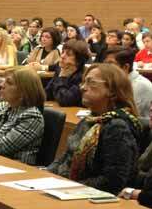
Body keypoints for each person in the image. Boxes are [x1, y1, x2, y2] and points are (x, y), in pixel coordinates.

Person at [48, 64, 142, 193]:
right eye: (84, 82)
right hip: (66, 186)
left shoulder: (117, 127)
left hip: (90, 195)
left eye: (91, 83)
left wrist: (69, 187)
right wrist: (46, 174)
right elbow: (65, 157)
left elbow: (113, 181)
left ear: (112, 91)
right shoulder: (90, 119)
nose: (82, 88)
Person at [0, 67, 45, 165]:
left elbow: (1, 147)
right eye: (4, 81)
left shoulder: (32, 117)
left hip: (16, 168)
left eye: (9, 83)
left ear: (23, 92)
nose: (2, 85)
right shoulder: (2, 107)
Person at [104, 47, 152, 115]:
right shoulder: (116, 82)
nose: (105, 68)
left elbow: (131, 116)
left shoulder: (140, 85)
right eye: (105, 63)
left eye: (110, 64)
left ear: (125, 67)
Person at [45, 39, 89, 107]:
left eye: (68, 54)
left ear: (78, 60)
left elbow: (65, 100)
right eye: (63, 52)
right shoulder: (61, 69)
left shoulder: (82, 77)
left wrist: (62, 78)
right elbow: (47, 94)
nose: (62, 56)